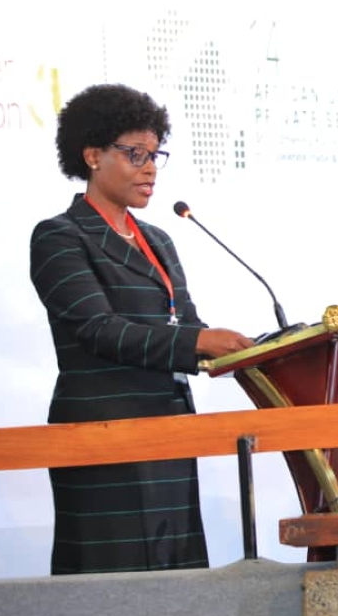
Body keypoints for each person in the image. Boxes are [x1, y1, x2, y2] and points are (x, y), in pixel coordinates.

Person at [30, 83, 254, 575]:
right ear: (91, 155)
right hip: (102, 431)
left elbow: (187, 325)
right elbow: (99, 329)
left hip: (170, 429)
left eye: (155, 154)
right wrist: (197, 342)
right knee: (113, 588)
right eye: (135, 154)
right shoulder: (60, 238)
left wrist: (248, 353)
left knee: (176, 577)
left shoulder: (158, 239)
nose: (150, 167)